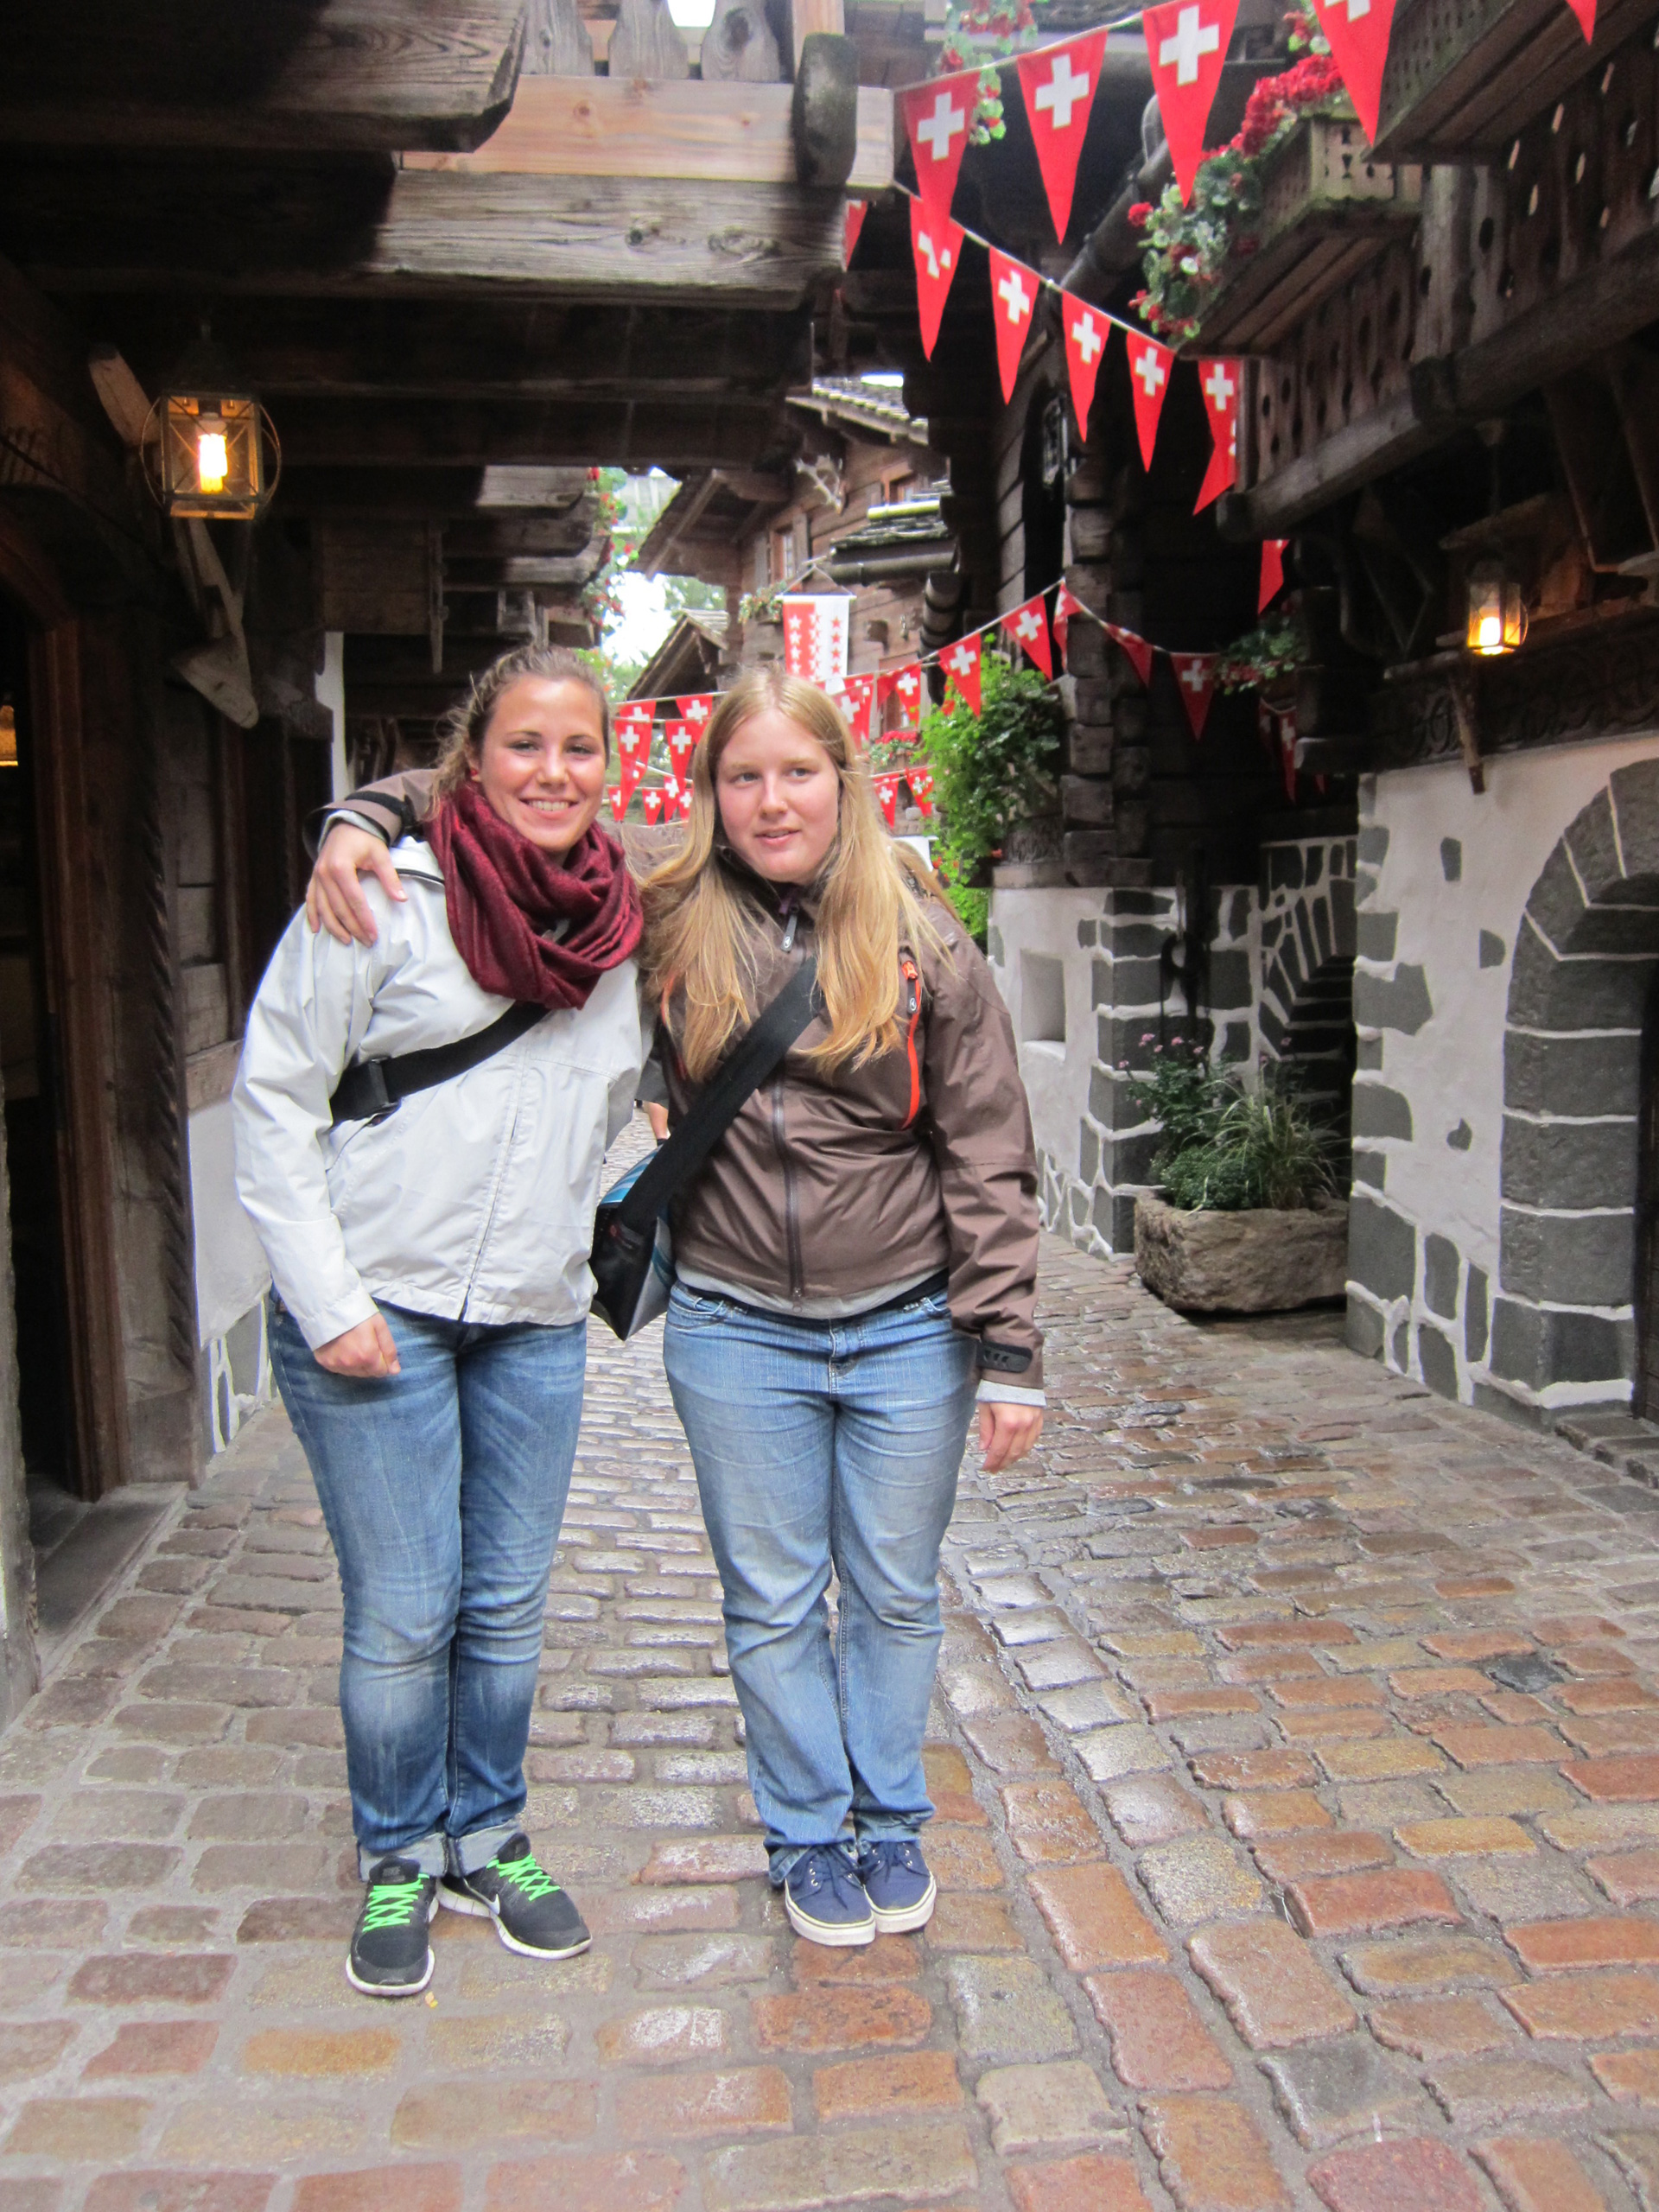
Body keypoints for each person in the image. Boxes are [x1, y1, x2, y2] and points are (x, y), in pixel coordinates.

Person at [304, 665, 1045, 1951]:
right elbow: (508, 794)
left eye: (798, 773)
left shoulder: (919, 927)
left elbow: (987, 1142)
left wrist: (1011, 1345)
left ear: (844, 782)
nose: (773, 801)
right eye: (743, 777)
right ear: (708, 792)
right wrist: (363, 816)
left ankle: (892, 1824)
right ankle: (806, 1837)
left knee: (894, 1594)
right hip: (737, 1325)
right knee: (772, 1601)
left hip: (907, 1322)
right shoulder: (664, 903)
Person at [234, 644, 644, 1998]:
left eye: (579, 746)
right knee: (408, 1612)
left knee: (508, 1606)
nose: (553, 772)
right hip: (378, 1309)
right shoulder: (380, 894)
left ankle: (491, 1836)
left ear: (609, 764)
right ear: (474, 756)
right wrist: (327, 1300)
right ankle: (401, 1852)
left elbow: (612, 1106)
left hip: (531, 1319)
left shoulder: (622, 931)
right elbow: (275, 1101)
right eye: (524, 744)